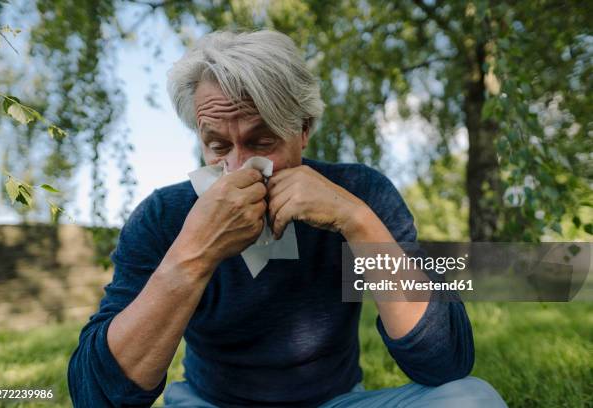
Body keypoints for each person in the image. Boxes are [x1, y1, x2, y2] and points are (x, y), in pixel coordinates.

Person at [68, 29, 507, 407]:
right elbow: (97, 394)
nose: (239, 169)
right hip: (210, 402)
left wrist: (357, 221)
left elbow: (444, 359)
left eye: (261, 142)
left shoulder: (362, 192)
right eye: (218, 146)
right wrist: (193, 253)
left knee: (474, 398)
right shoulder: (164, 216)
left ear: (304, 128)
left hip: (335, 401)